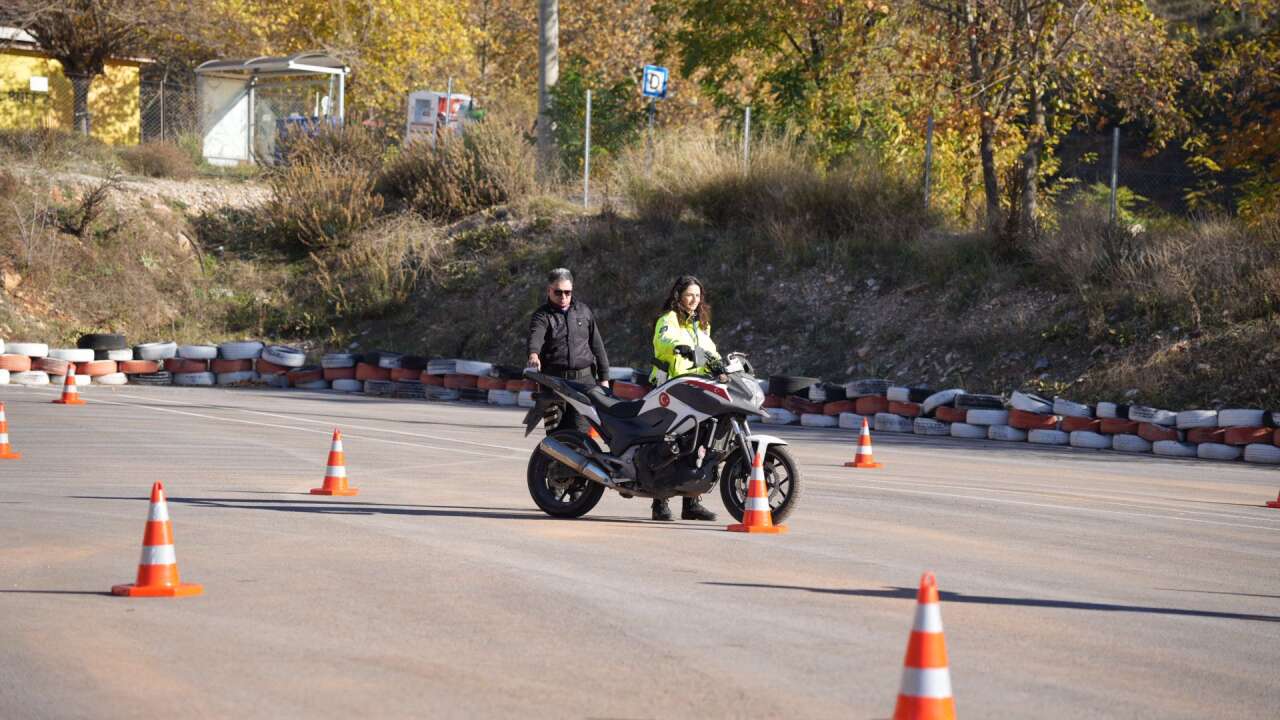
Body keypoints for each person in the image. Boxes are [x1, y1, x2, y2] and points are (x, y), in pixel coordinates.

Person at [647, 275, 719, 522]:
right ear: (678, 295)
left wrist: (721, 364)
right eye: (690, 294)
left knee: (697, 444)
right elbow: (663, 341)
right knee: (667, 445)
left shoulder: (701, 323)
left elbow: (710, 350)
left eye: (698, 295)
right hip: (669, 388)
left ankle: (691, 502)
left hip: (695, 390)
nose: (694, 300)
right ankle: (660, 503)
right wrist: (681, 347)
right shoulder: (668, 319)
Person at [527, 268, 610, 433]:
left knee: (580, 435)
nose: (563, 297)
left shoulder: (584, 312)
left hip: (584, 384)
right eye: (558, 292)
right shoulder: (542, 315)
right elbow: (536, 335)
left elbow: (597, 346)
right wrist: (533, 354)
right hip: (554, 384)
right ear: (549, 290)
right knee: (556, 437)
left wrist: (604, 378)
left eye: (567, 292)